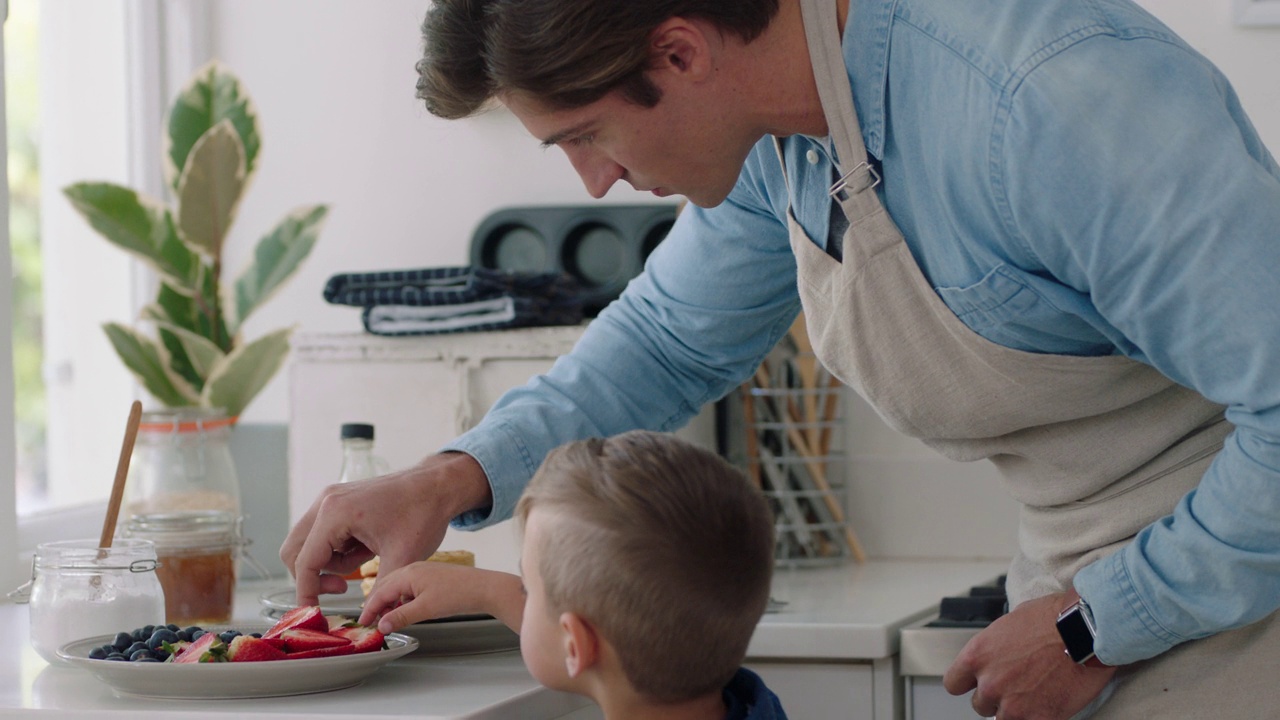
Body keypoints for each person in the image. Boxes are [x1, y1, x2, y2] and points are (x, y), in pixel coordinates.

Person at [282, 0, 1280, 717]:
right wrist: (447, 477)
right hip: (1073, 585)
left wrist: (1091, 625)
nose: (594, 179)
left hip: (1240, 602)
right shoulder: (781, 144)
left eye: (584, 135)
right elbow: (664, 341)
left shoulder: (1042, 100)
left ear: (677, 52)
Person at [358, 431, 787, 720]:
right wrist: (489, 591)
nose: (520, 593)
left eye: (528, 587)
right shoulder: (751, 702)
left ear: (576, 643)